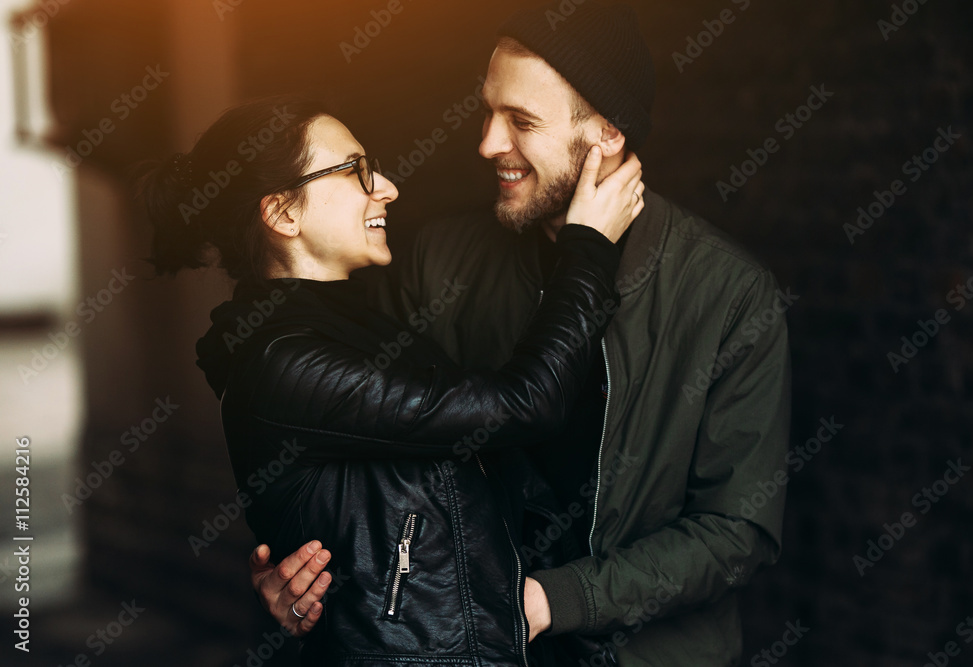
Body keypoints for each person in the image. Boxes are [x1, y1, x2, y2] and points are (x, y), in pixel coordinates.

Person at [255, 2, 792, 666]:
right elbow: (349, 449)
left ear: (607, 137)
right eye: (488, 111)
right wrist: (291, 574)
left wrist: (547, 600)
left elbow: (736, 530)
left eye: (522, 121)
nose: (487, 143)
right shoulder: (438, 262)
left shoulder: (728, 293)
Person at [139, 95, 644, 665]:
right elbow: (525, 403)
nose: (387, 186)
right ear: (283, 214)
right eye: (356, 171)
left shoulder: (362, 325)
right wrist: (588, 249)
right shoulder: (284, 361)